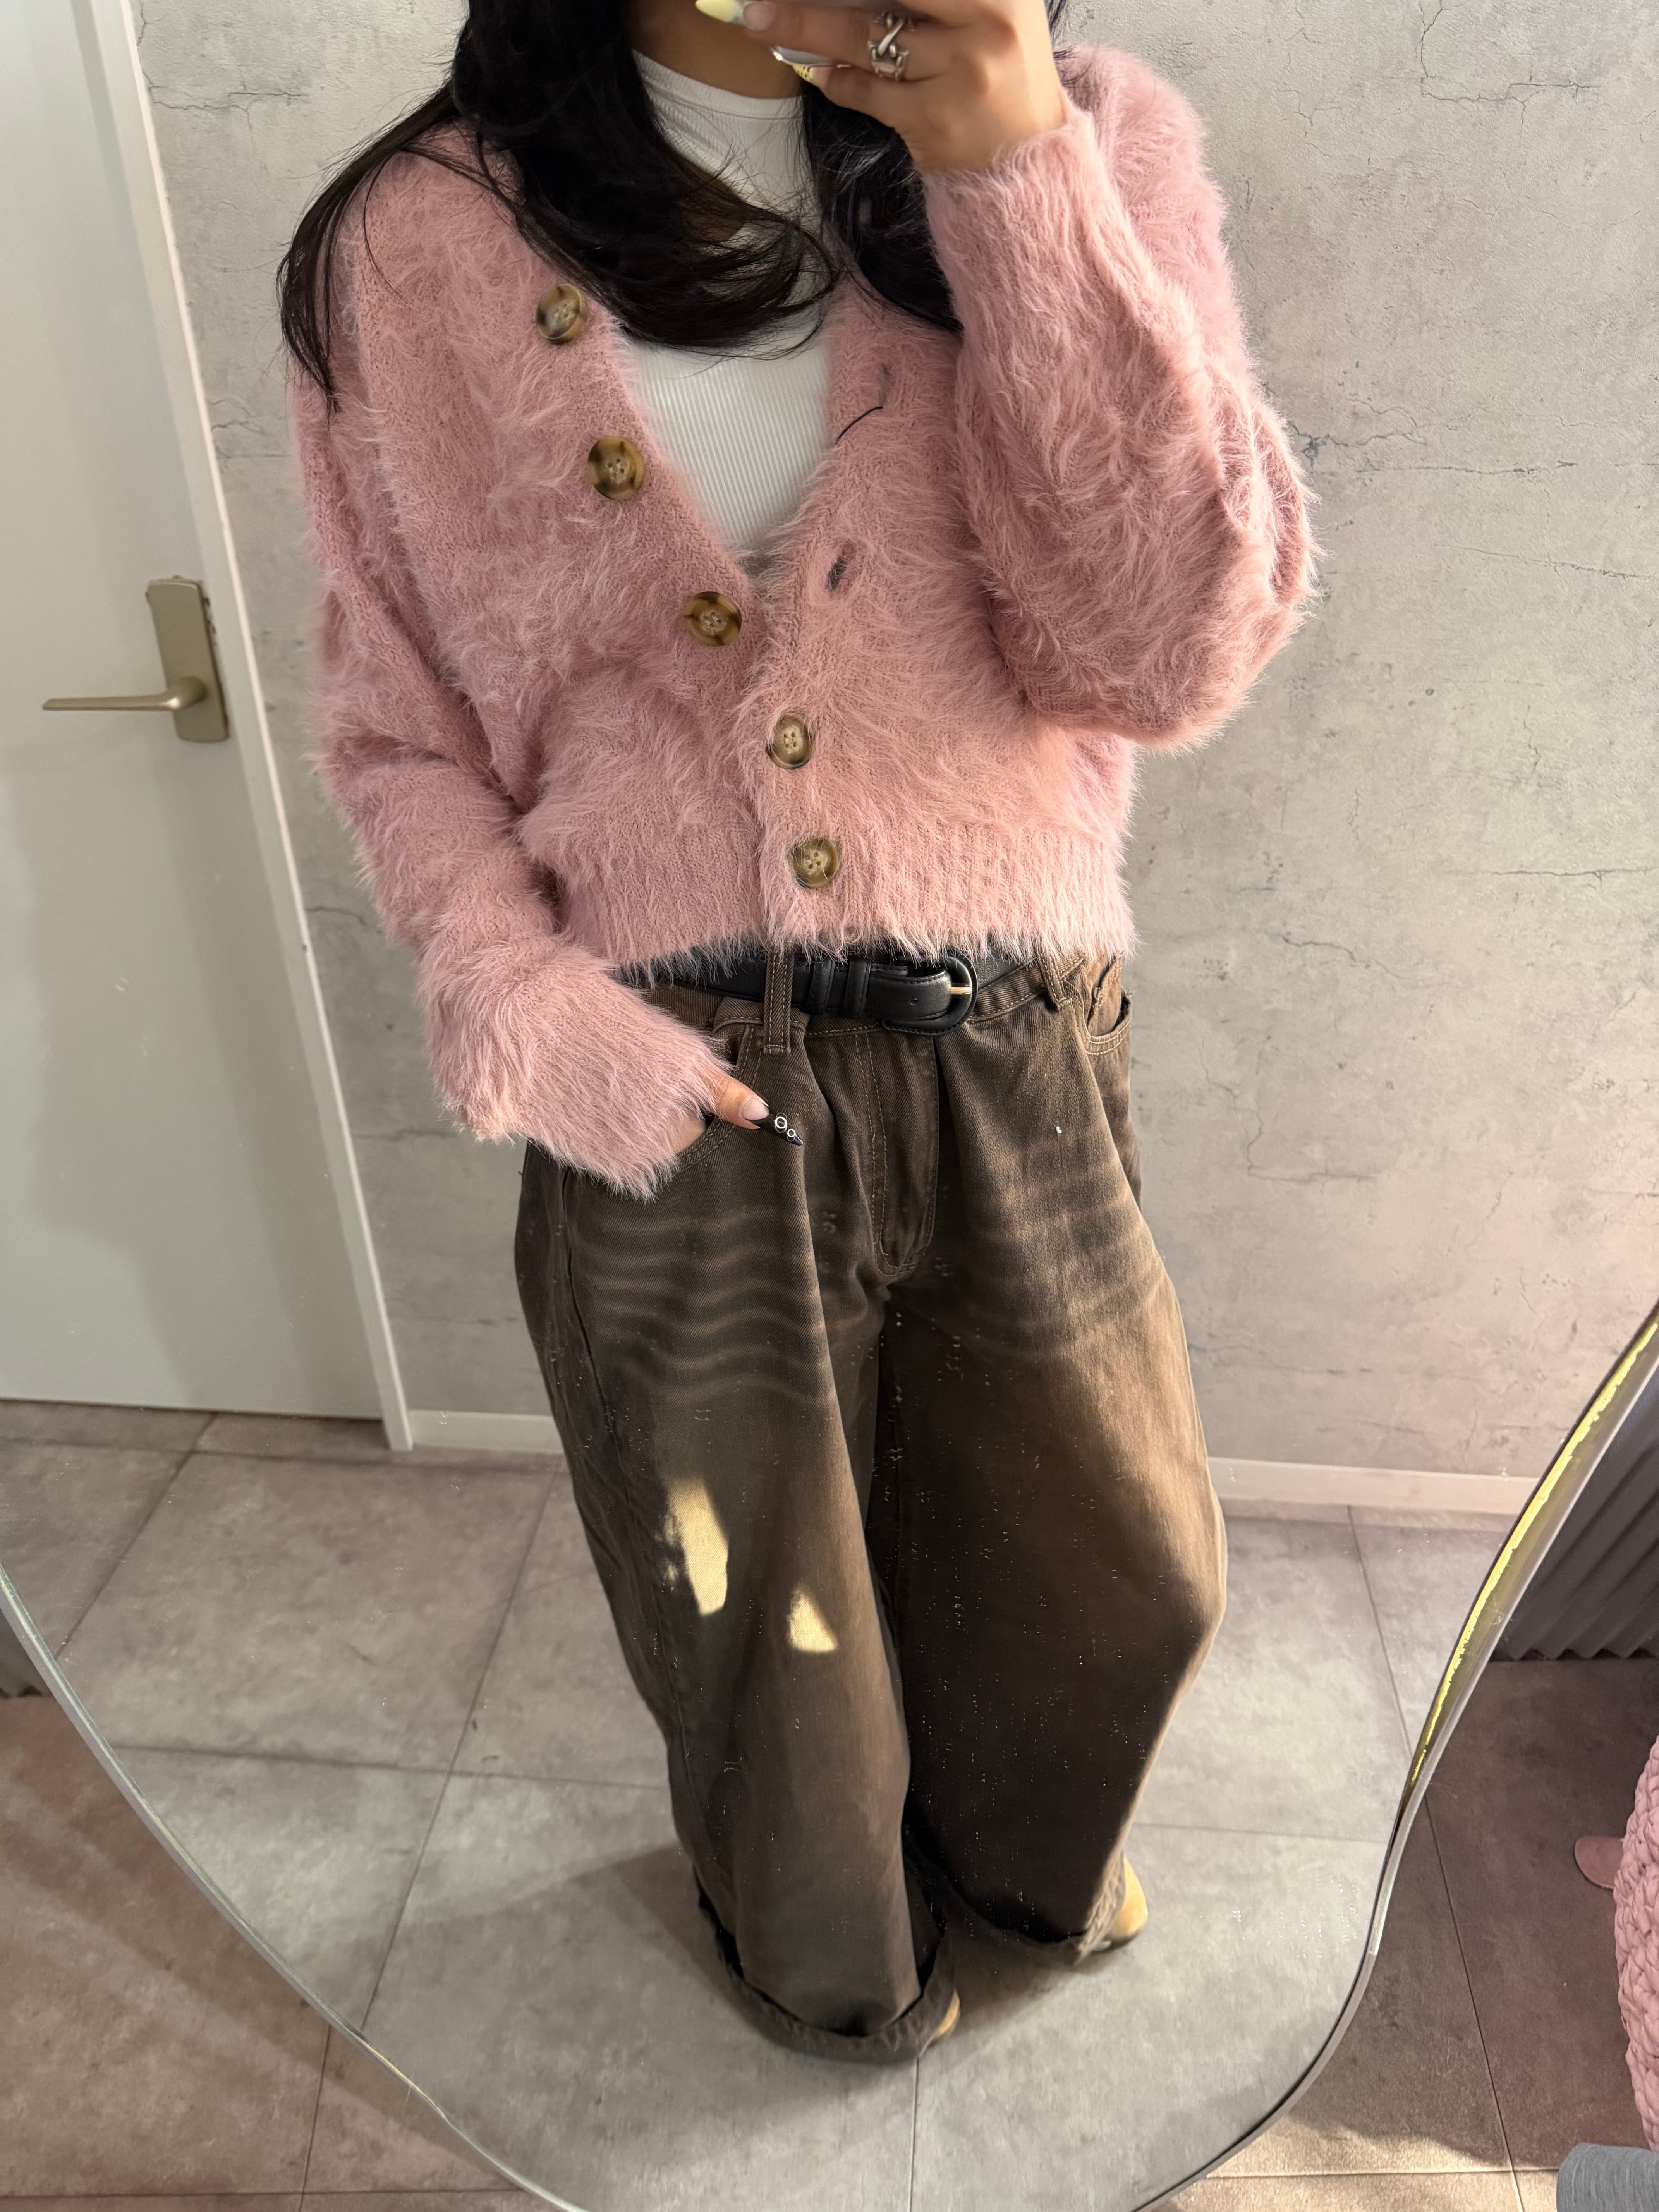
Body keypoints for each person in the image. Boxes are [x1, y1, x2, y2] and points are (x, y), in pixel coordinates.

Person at [283, 0, 1321, 2064]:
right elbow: (396, 720)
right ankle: (831, 1977)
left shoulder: (1093, 138)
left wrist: (1010, 173)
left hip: (1009, 1048)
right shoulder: (411, 238)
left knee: (1113, 1573)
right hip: (665, 1080)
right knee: (762, 1634)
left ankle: (1023, 1890)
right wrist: (524, 1006)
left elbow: (1168, 654)